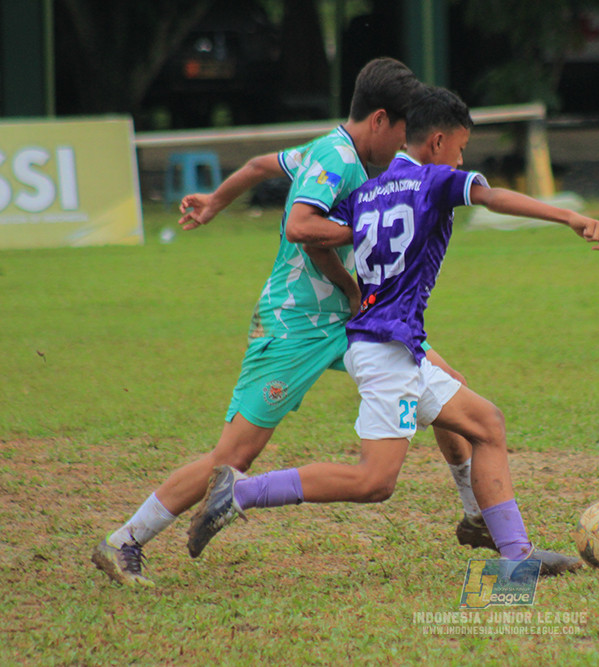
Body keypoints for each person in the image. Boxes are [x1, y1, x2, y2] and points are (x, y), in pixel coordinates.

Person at [91, 59, 493, 589]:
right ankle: (126, 540)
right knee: (233, 457)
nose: (405, 144)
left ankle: (477, 516)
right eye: (400, 131)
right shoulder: (335, 157)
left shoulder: (333, 151)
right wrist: (365, 230)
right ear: (378, 120)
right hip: (295, 324)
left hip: (355, 320)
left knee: (446, 390)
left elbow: (260, 166)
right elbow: (301, 225)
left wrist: (217, 199)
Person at [185, 86, 599, 576]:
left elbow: (314, 240)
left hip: (395, 344)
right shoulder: (435, 181)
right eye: (460, 148)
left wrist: (352, 291)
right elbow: (493, 197)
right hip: (385, 352)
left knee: (486, 424)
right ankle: (240, 491)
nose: (461, 159)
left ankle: (516, 555)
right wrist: (570, 217)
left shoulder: (368, 189)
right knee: (375, 482)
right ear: (436, 142)